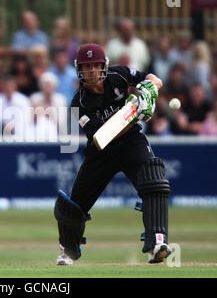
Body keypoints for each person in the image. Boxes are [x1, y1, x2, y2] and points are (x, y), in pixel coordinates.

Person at [54, 44, 171, 266]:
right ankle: (68, 250)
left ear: (104, 66)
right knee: (73, 206)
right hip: (101, 151)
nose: (91, 72)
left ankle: (157, 244)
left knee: (154, 181)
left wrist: (149, 93)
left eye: (95, 66)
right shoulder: (78, 103)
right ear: (78, 70)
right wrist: (134, 113)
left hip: (131, 143)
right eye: (85, 67)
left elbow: (155, 79)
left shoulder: (119, 75)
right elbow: (103, 135)